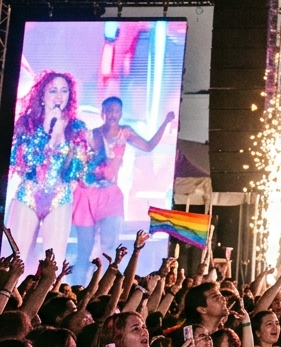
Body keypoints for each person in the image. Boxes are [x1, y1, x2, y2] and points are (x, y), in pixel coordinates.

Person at [71, 99, 175, 281]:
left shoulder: (125, 132)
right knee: (84, 251)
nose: (112, 114)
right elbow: (77, 163)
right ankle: (76, 290)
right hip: (87, 194)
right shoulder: (92, 135)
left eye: (116, 110)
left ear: (120, 113)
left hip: (111, 195)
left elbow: (149, 146)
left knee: (109, 248)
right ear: (103, 112)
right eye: (109, 110)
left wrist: (165, 123)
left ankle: (103, 292)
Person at [7, 72, 92, 262]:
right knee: (16, 258)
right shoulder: (27, 124)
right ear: (42, 96)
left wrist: (60, 138)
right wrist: (45, 130)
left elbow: (78, 172)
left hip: (59, 198)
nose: (59, 96)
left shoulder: (77, 128)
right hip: (28, 195)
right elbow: (20, 163)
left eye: (64, 91)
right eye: (53, 90)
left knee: (53, 262)